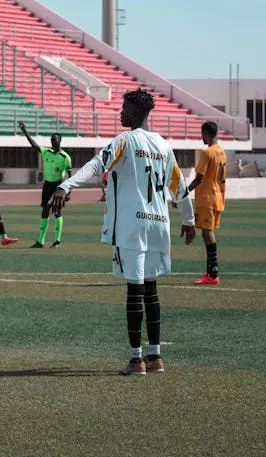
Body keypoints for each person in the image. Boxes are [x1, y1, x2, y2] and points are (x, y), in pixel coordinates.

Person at [51, 88, 196, 375]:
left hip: (132, 226)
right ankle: (155, 357)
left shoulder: (125, 141)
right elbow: (180, 187)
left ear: (136, 111)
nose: (121, 113)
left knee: (134, 290)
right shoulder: (164, 146)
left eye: (124, 108)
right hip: (159, 224)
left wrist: (65, 185)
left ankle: (136, 359)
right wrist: (189, 220)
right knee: (151, 290)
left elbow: (96, 165)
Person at [20, 122, 72, 248]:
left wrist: (68, 191)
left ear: (60, 141)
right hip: (47, 185)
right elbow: (34, 145)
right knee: (44, 211)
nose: (54, 141)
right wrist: (25, 131)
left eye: (56, 139)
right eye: (52, 139)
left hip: (58, 187)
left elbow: (71, 176)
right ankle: (40, 241)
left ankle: (57, 241)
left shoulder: (65, 157)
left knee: (56, 211)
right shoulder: (46, 152)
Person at [189, 121, 227, 285]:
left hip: (207, 198)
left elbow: (200, 177)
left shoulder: (207, 153)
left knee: (207, 233)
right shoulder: (221, 151)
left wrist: (185, 191)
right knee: (207, 232)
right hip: (218, 197)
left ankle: (212, 274)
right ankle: (212, 273)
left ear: (205, 133)